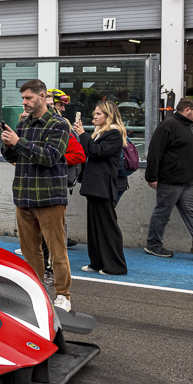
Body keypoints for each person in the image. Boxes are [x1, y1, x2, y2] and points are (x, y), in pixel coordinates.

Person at [0, 79, 74, 312]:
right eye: (23, 98)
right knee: (30, 251)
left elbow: (50, 157)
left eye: (29, 98)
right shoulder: (24, 124)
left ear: (42, 96)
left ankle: (63, 295)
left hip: (49, 197)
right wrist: (9, 144)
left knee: (56, 250)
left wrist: (18, 142)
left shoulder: (59, 124)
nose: (25, 102)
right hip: (24, 196)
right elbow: (12, 157)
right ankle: (36, 290)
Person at [144, 97, 193, 259]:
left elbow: (187, 148)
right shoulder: (169, 125)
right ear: (187, 110)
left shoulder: (186, 126)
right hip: (170, 180)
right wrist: (152, 177)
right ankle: (153, 244)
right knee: (162, 213)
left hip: (188, 181)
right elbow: (154, 152)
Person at [74, 103, 129, 276]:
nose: (94, 117)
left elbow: (96, 152)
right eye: (94, 113)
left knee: (107, 226)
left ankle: (115, 266)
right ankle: (97, 262)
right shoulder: (102, 133)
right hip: (95, 186)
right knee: (95, 227)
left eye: (99, 114)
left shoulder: (114, 133)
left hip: (104, 186)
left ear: (109, 115)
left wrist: (83, 134)